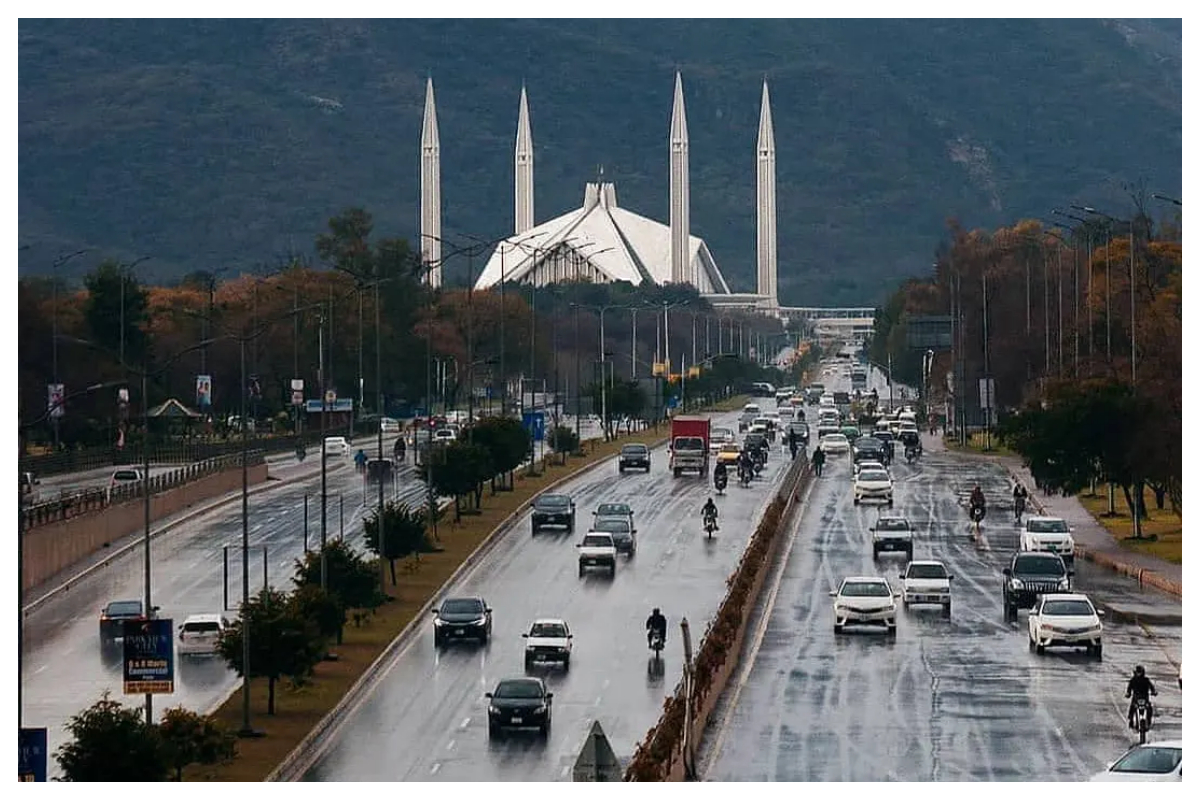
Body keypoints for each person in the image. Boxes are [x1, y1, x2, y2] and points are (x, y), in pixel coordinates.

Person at [1126, 665, 1158, 729]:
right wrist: (1128, 693)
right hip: (1136, 698)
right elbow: (1129, 689)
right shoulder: (1133, 680)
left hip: (1145, 698)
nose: (1139, 674)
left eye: (1140, 672)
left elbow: (1151, 687)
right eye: (1138, 672)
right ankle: (1131, 720)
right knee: (1132, 707)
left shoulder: (1146, 680)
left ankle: (1148, 720)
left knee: (1149, 708)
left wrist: (1153, 692)